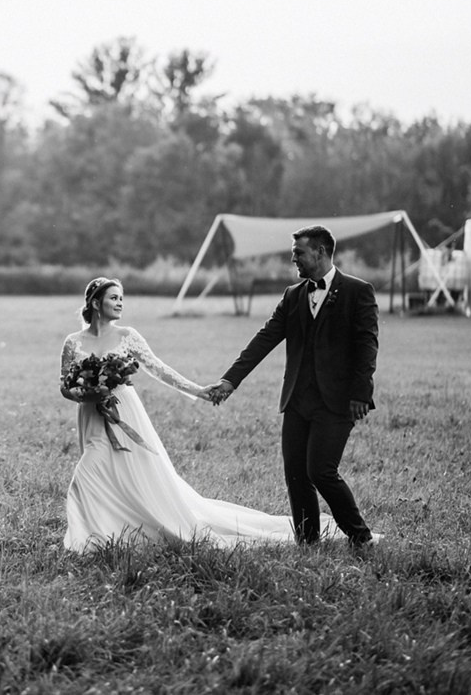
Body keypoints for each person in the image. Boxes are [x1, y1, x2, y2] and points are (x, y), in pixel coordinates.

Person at [61, 276, 327, 552]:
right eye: (114, 298)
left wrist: (198, 390)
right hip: (92, 414)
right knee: (97, 468)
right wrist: (87, 394)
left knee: (112, 472)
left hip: (124, 411)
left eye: (121, 298)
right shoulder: (73, 342)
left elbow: (160, 370)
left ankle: (95, 538)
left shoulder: (128, 336)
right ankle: (98, 534)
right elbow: (64, 386)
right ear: (95, 302)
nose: (120, 303)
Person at [207, 225, 379, 548]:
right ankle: (307, 541)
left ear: (320, 252)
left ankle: (361, 537)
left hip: (339, 401)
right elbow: (265, 338)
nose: (293, 259)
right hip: (298, 400)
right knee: (296, 473)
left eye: (298, 252)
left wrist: (360, 393)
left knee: (321, 470)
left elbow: (367, 347)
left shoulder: (359, 292)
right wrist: (230, 380)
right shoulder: (293, 295)